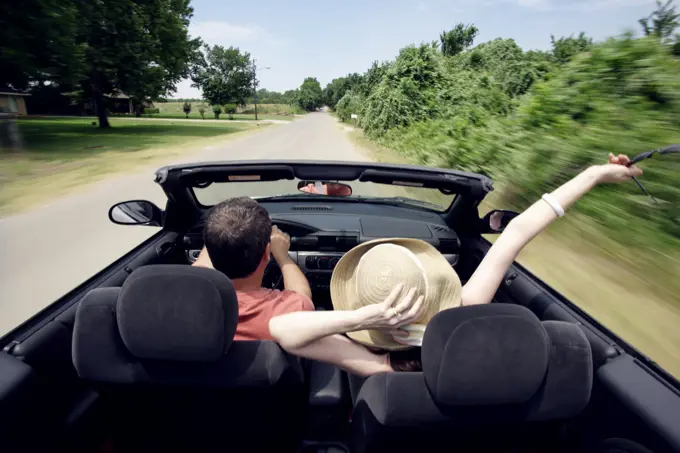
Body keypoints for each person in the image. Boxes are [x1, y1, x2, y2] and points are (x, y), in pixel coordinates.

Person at [269, 154, 643, 376]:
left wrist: (365, 317)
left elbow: (284, 330)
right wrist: (593, 175)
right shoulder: (466, 316)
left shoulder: (376, 364)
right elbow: (517, 232)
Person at [192, 196, 314, 341]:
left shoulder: (189, 300)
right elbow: (302, 296)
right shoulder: (292, 311)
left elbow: (201, 264)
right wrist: (283, 257)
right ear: (266, 254)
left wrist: (222, 233)